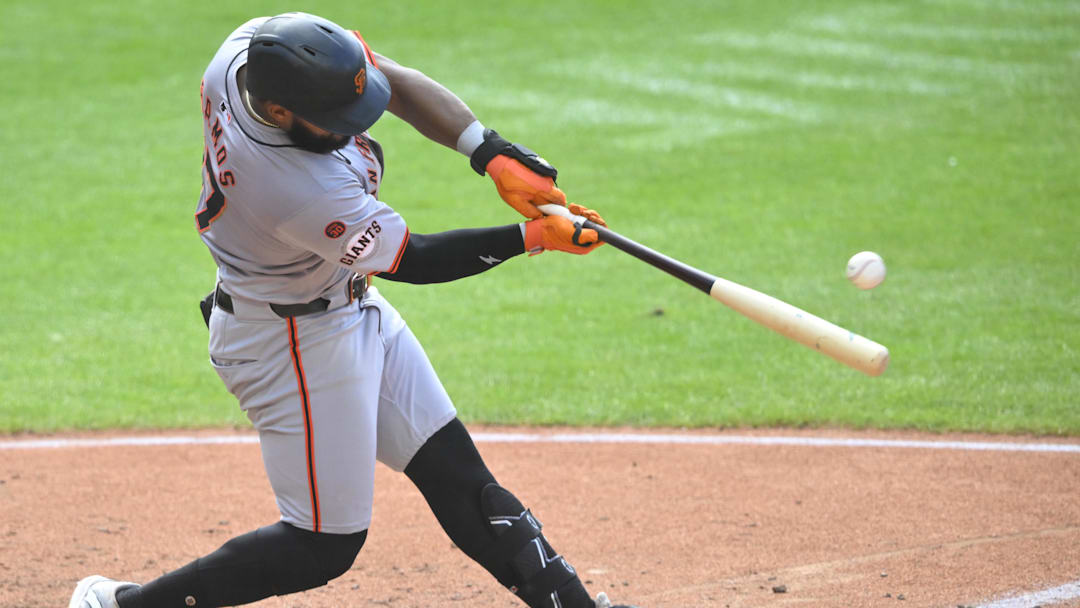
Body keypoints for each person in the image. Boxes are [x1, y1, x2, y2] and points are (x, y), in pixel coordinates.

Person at [69, 11, 638, 608]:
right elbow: (414, 260)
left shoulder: (253, 48)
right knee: (323, 544)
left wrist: (491, 154)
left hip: (343, 303)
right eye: (335, 122)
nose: (352, 127)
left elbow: (389, 77)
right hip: (290, 342)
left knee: (459, 478)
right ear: (280, 112)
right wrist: (531, 238)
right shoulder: (289, 184)